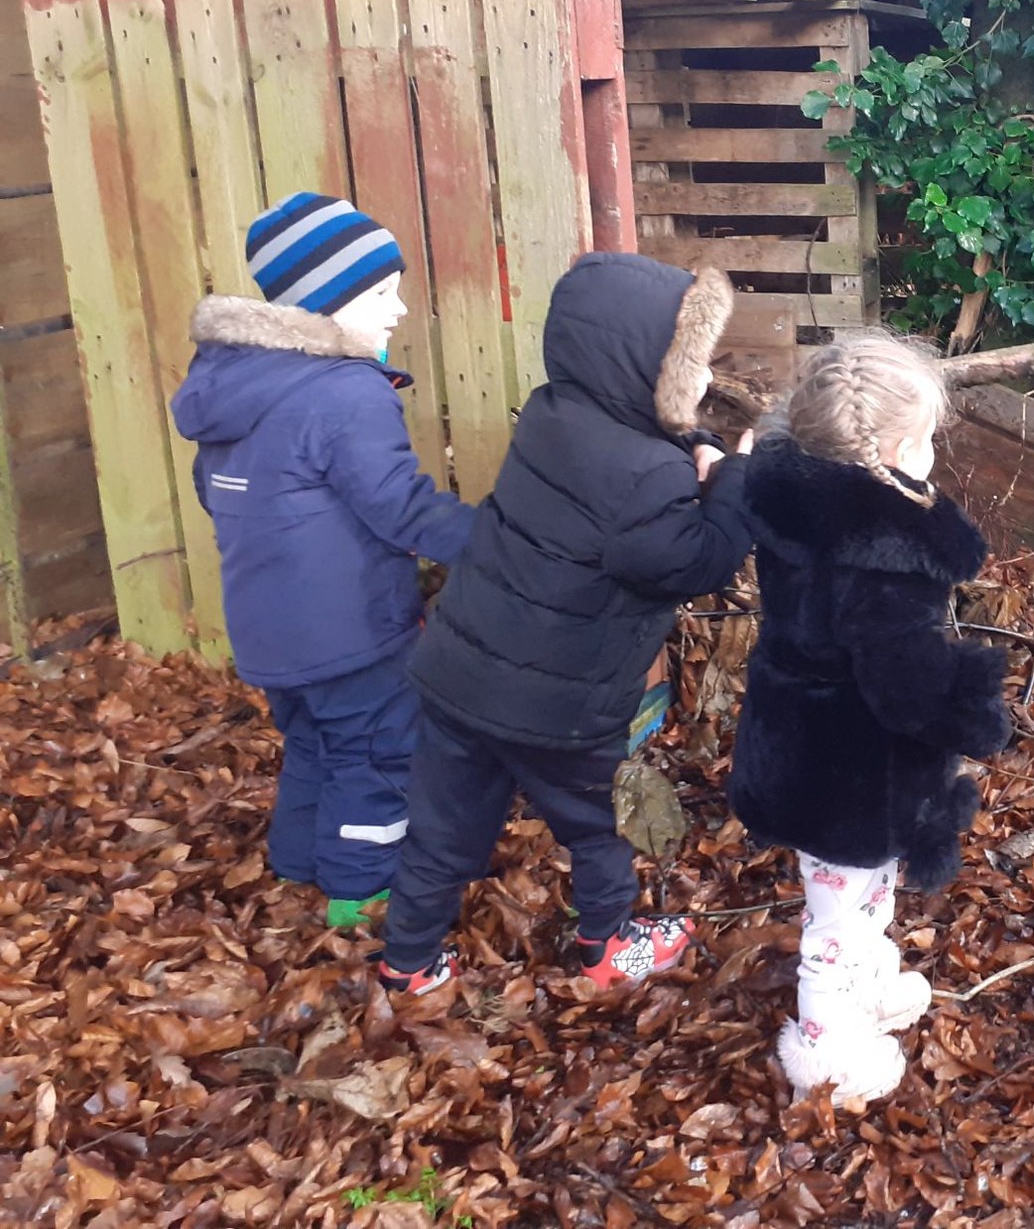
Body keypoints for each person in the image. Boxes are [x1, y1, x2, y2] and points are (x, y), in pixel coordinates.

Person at [375, 255, 754, 996]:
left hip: (459, 676)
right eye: (689, 364)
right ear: (645, 369)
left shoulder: (551, 414)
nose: (705, 378)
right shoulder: (649, 476)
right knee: (598, 823)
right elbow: (694, 561)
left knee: (442, 828)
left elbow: (620, 463)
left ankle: (408, 962)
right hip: (558, 707)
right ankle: (608, 945)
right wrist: (735, 478)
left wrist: (693, 445)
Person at [171, 191, 474, 930]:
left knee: (314, 744)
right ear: (325, 303)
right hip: (350, 630)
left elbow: (214, 493)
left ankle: (296, 868)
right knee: (377, 757)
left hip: (267, 630)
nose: (399, 309)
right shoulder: (344, 392)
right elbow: (400, 506)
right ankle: (362, 898)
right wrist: (500, 539)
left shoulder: (235, 381)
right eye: (381, 293)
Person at [727, 334, 1012, 1103]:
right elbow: (903, 683)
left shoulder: (794, 504)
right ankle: (826, 1053)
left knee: (859, 893)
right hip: (853, 773)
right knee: (835, 920)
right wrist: (972, 709)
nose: (932, 455)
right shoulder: (887, 559)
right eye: (924, 441)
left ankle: (868, 984)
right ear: (892, 454)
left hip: (793, 744)